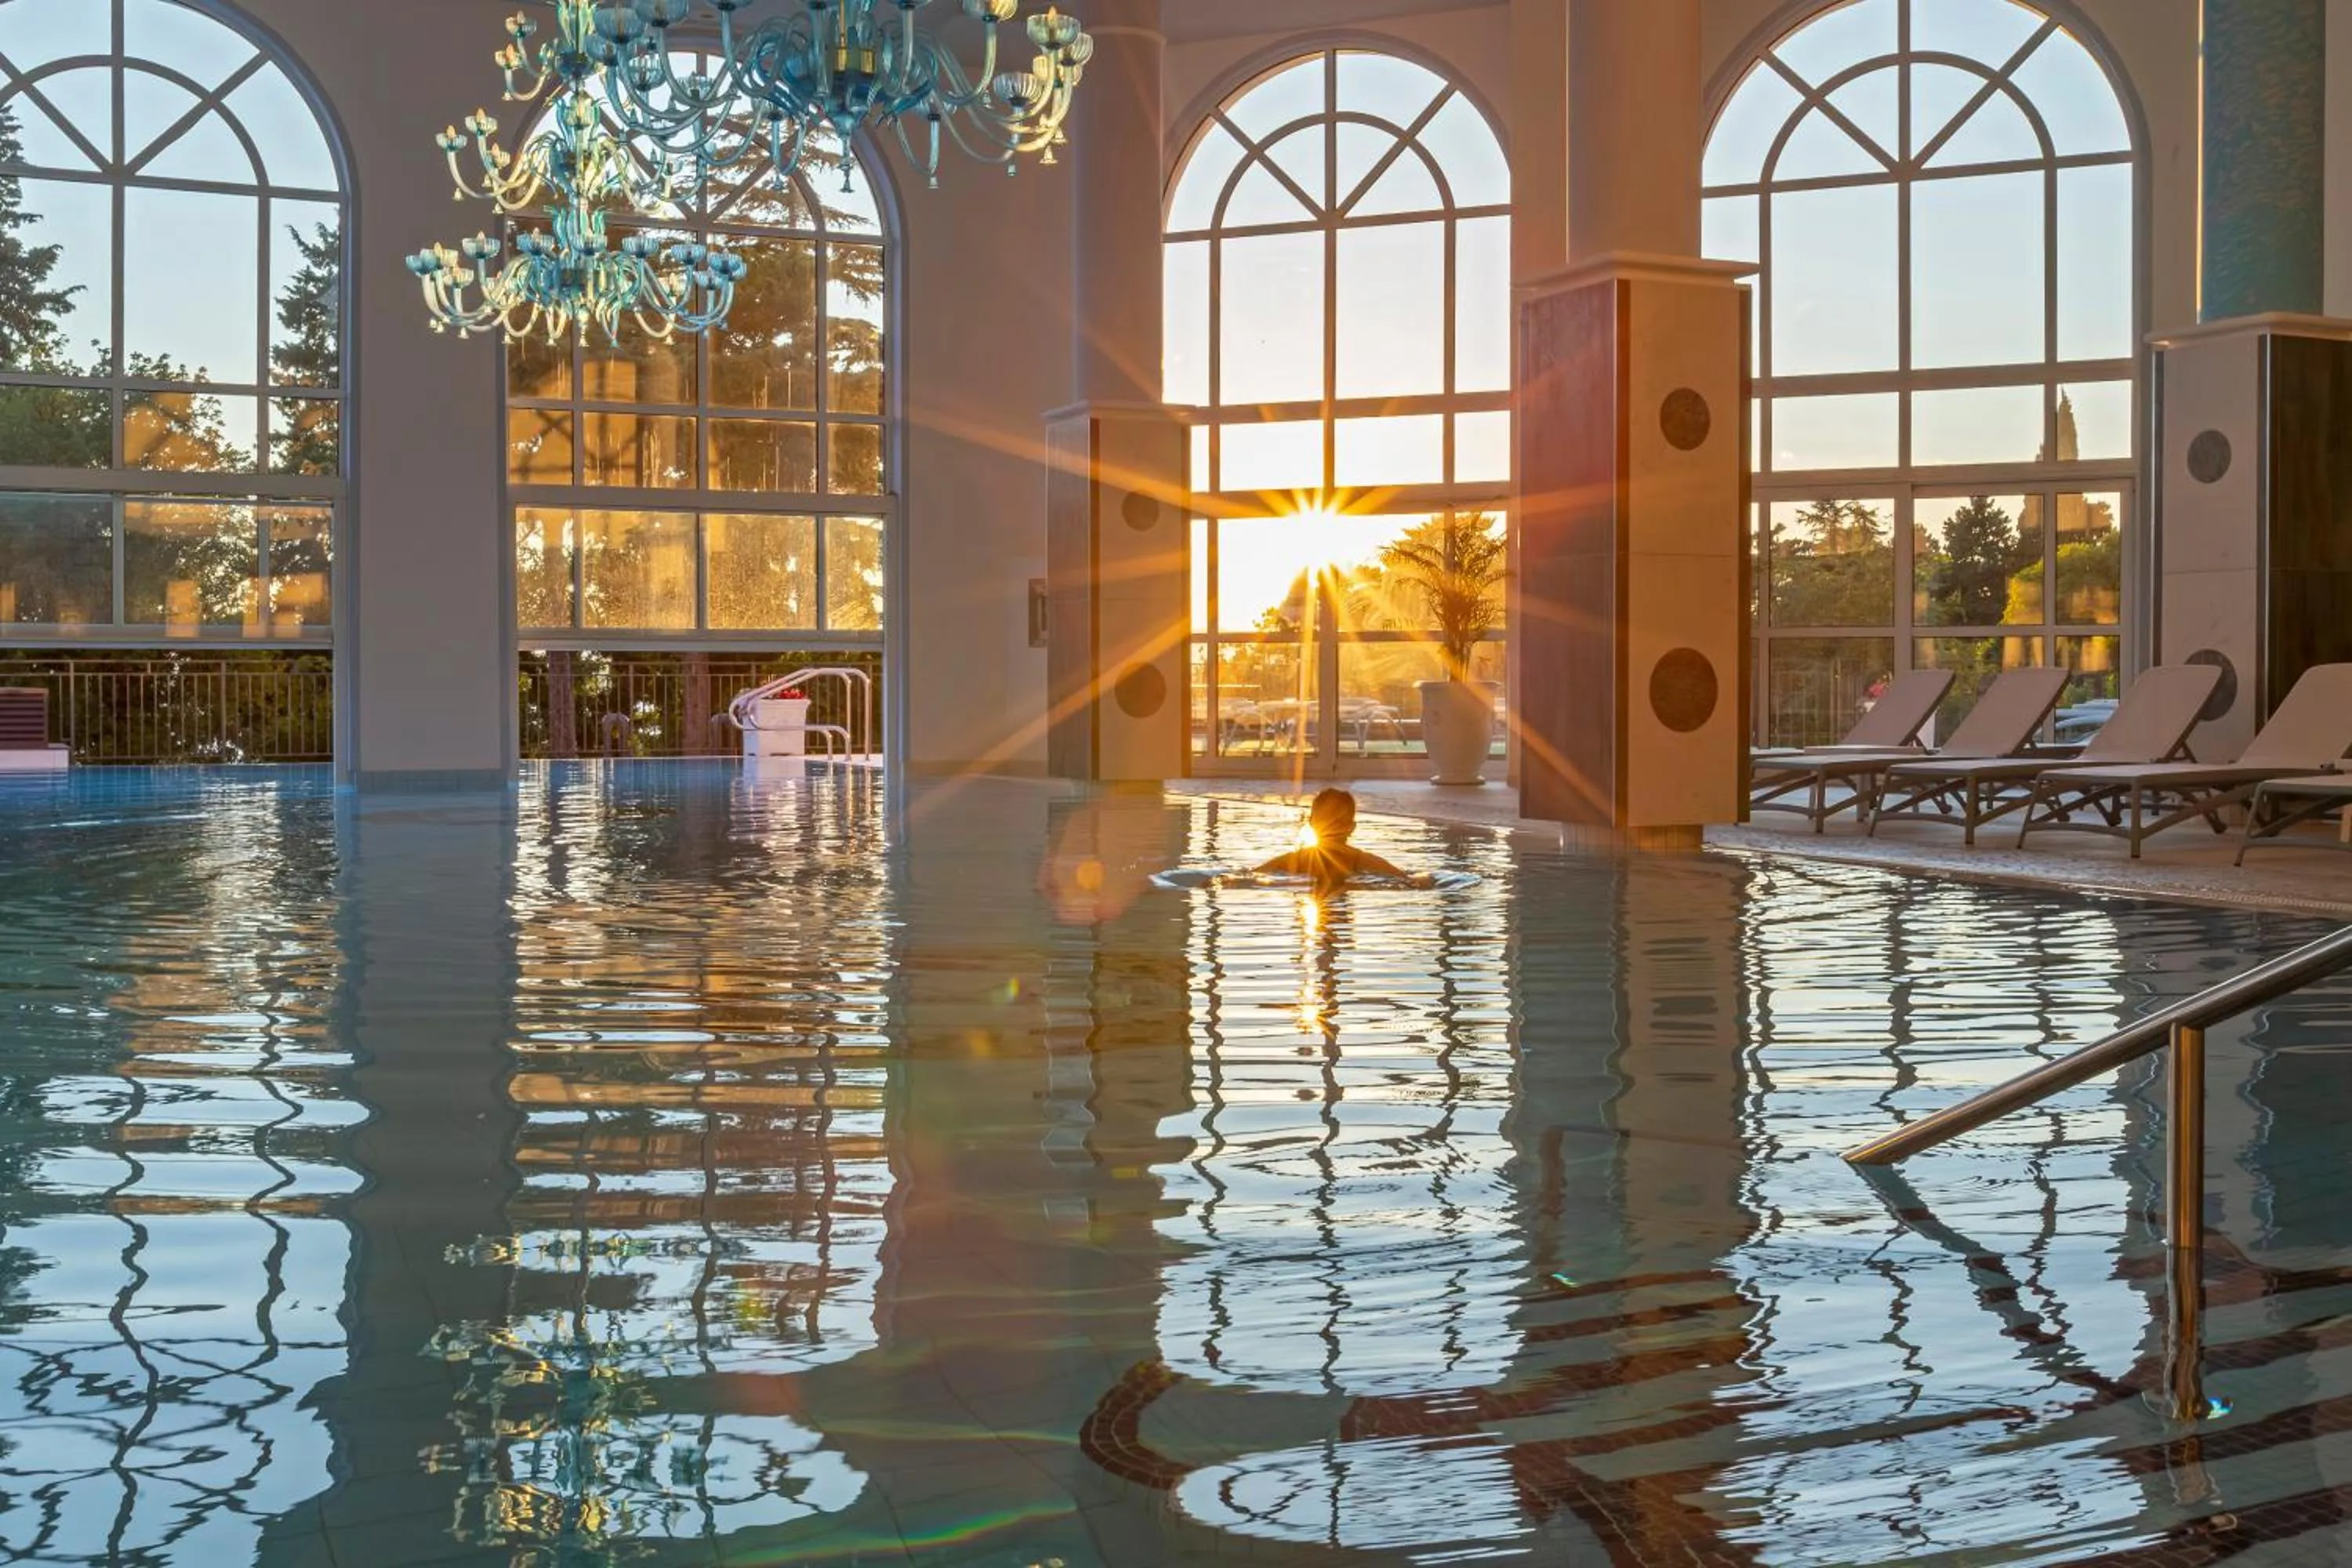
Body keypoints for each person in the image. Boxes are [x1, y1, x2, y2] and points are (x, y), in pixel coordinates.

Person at [1254, 789, 1414, 884]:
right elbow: (1408, 880)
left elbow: (1251, 876)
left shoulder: (1295, 860)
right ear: (1351, 828)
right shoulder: (1364, 861)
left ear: (1311, 824)